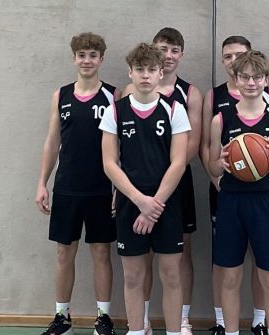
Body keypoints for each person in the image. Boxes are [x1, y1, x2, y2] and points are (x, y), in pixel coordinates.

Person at [100, 42, 191, 335]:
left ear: (160, 72)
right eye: (139, 69)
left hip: (166, 202)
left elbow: (179, 162)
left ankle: (174, 332)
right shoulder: (115, 111)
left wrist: (154, 206)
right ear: (130, 72)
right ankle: (137, 330)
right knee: (133, 276)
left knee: (171, 275)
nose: (146, 75)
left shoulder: (174, 109)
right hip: (131, 202)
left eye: (152, 69)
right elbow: (109, 164)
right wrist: (140, 201)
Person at [119, 27, 203, 335]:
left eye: (174, 50)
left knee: (178, 256)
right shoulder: (126, 96)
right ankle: (141, 322)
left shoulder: (188, 95)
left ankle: (180, 320)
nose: (168, 55)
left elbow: (189, 148)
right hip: (134, 189)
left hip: (173, 185)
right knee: (140, 257)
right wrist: (137, 195)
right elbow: (118, 154)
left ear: (181, 55)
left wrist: (158, 195)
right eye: (163, 49)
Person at [34, 32, 118, 335]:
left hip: (101, 187)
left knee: (101, 253)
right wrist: (42, 183)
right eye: (82, 55)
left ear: (101, 59)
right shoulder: (61, 95)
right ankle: (62, 318)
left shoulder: (113, 95)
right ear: (73, 59)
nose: (87, 60)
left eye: (93, 55)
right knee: (63, 253)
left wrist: (119, 188)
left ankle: (103, 318)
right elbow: (52, 140)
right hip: (67, 186)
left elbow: (120, 145)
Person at [200, 36, 269, 335]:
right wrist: (220, 163)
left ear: (266, 80)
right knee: (230, 276)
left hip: (265, 201)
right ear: (236, 79)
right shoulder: (221, 119)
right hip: (231, 201)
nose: (251, 83)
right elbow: (211, 166)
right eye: (245, 77)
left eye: (257, 77)